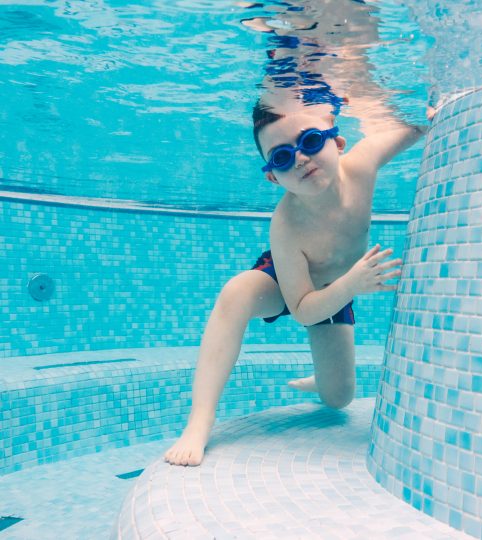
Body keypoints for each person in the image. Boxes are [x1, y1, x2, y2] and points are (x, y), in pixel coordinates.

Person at [164, 97, 435, 467]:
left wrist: (438, 113)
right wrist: (352, 285)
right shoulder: (287, 225)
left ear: (337, 143)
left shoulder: (363, 163)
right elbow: (302, 309)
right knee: (237, 293)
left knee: (339, 398)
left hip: (337, 287)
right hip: (291, 286)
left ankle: (319, 379)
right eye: (281, 157)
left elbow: (416, 124)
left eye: (309, 141)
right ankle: (199, 422)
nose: (300, 159)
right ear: (273, 177)